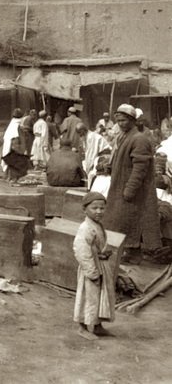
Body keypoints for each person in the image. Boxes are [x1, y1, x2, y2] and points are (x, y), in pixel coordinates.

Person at [103, 104, 162, 263]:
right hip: (122, 184)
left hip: (133, 189)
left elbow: (140, 168)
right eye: (118, 121)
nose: (120, 124)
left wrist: (130, 189)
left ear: (132, 120)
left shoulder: (139, 139)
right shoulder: (125, 136)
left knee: (131, 220)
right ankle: (128, 251)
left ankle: (133, 253)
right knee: (124, 220)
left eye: (123, 120)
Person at [73, 191, 115, 340]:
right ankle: (82, 327)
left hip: (101, 265)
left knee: (101, 296)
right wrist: (91, 271)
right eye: (94, 208)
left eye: (102, 208)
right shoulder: (85, 228)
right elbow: (81, 250)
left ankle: (97, 325)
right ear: (85, 209)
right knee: (88, 297)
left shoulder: (98, 225)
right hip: (91, 268)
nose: (99, 211)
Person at [2, 109, 30, 181]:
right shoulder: (17, 126)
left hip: (9, 147)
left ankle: (8, 176)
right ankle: (13, 177)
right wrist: (21, 148)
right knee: (17, 163)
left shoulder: (11, 125)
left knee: (10, 162)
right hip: (15, 147)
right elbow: (17, 138)